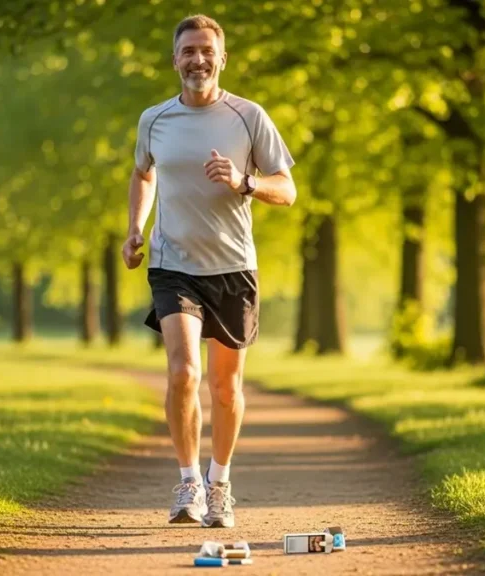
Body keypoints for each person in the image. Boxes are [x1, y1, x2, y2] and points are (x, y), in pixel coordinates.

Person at [122, 14, 297, 528]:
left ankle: (220, 483)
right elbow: (142, 172)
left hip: (234, 266)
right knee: (184, 372)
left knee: (225, 387)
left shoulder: (248, 116)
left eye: (206, 50)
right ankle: (188, 481)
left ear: (222, 59)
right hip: (172, 265)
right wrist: (136, 226)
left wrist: (245, 182)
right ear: (174, 60)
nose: (197, 59)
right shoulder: (153, 119)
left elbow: (287, 190)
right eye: (188, 51)